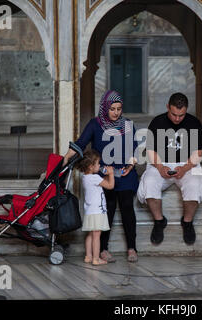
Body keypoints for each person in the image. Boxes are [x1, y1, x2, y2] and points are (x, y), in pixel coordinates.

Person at [63, 90, 139, 263]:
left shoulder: (127, 124)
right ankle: (103, 250)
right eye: (112, 108)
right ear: (105, 107)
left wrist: (130, 165)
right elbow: (81, 143)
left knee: (127, 208)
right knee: (107, 210)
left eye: (119, 108)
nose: (116, 112)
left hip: (125, 174)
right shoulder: (95, 124)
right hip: (103, 175)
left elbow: (135, 148)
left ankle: (132, 248)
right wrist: (67, 157)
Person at [137, 92, 202, 245]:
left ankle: (187, 222)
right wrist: (160, 166)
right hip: (160, 163)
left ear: (186, 110)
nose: (177, 119)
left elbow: (199, 153)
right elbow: (150, 151)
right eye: (174, 114)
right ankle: (159, 221)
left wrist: (185, 168)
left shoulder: (194, 123)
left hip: (187, 163)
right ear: (167, 107)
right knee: (149, 181)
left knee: (194, 184)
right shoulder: (157, 122)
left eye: (181, 115)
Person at [76, 150, 114, 265]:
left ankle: (88, 256)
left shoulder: (85, 178)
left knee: (90, 234)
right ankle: (96, 259)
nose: (99, 165)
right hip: (97, 211)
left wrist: (106, 176)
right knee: (97, 235)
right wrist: (111, 174)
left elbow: (103, 182)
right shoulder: (95, 178)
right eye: (98, 163)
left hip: (89, 211)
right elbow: (110, 186)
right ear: (91, 166)